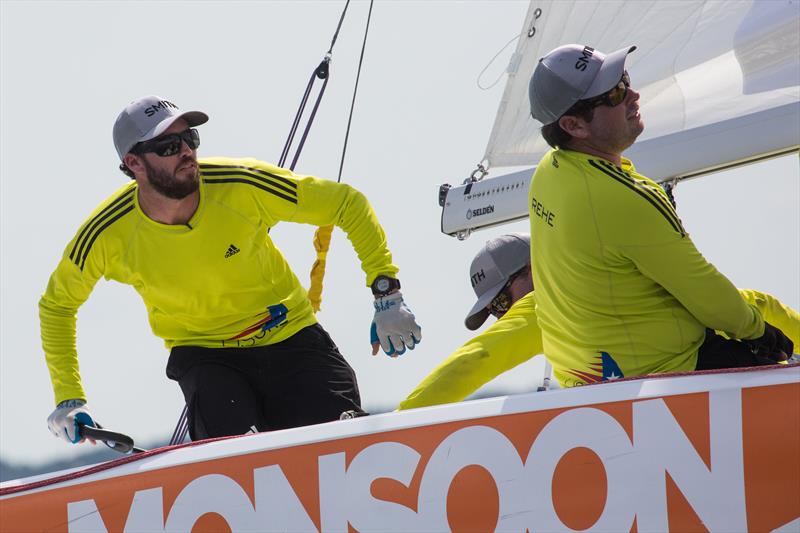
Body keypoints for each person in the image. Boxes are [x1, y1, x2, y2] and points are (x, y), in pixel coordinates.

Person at [42, 95, 422, 445]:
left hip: (289, 336)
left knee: (341, 441)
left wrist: (386, 293)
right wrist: (68, 397)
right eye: (169, 147)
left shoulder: (239, 183)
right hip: (206, 356)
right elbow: (57, 306)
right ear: (134, 163)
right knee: (233, 442)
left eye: (189, 138)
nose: (186, 152)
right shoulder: (108, 232)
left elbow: (346, 203)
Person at [526, 44, 794, 387]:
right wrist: (761, 332)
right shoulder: (623, 200)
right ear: (574, 125)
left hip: (587, 382)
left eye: (624, 80)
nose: (633, 96)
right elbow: (706, 293)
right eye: (614, 94)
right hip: (669, 374)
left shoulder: (547, 173)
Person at [399, 232, 799, 408]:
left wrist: (392, 426)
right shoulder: (605, 288)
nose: (505, 314)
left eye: (503, 299)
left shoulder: (549, 301)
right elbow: (757, 304)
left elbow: (477, 360)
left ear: (537, 268)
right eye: (496, 310)